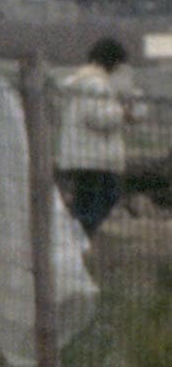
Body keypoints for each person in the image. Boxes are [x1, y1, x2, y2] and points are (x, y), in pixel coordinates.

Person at [57, 35, 133, 237]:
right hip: (94, 157)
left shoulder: (83, 81)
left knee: (87, 202)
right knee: (102, 199)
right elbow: (97, 117)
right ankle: (76, 240)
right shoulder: (96, 84)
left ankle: (72, 240)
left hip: (84, 155)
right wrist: (122, 114)